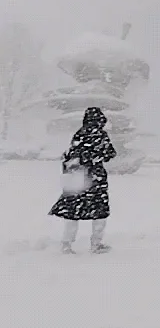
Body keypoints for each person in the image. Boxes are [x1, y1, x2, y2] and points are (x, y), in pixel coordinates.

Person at [50, 106, 117, 252]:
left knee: (72, 213)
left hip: (78, 180)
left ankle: (66, 244)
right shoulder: (100, 135)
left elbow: (72, 155)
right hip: (95, 179)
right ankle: (96, 244)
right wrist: (98, 156)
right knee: (99, 213)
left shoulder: (79, 134)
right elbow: (110, 153)